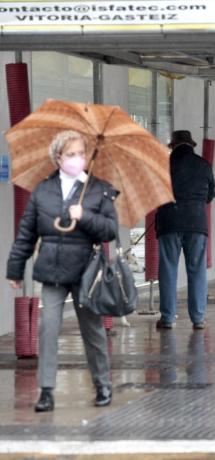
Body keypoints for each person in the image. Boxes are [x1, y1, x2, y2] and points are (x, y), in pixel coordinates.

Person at [6, 130, 118, 412]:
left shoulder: (98, 189)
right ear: (58, 157)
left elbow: (110, 231)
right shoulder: (43, 191)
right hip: (52, 271)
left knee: (92, 330)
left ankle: (103, 384)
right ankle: (46, 390)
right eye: (71, 154)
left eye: (81, 153)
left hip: (85, 272)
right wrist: (15, 269)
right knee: (49, 328)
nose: (77, 159)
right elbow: (26, 233)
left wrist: (87, 216)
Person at [156, 130, 215, 330]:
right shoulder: (204, 165)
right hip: (196, 223)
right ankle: (198, 319)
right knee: (197, 270)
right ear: (191, 145)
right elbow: (210, 194)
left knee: (168, 270)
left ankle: (167, 318)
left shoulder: (162, 165)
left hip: (169, 222)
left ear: (172, 146)